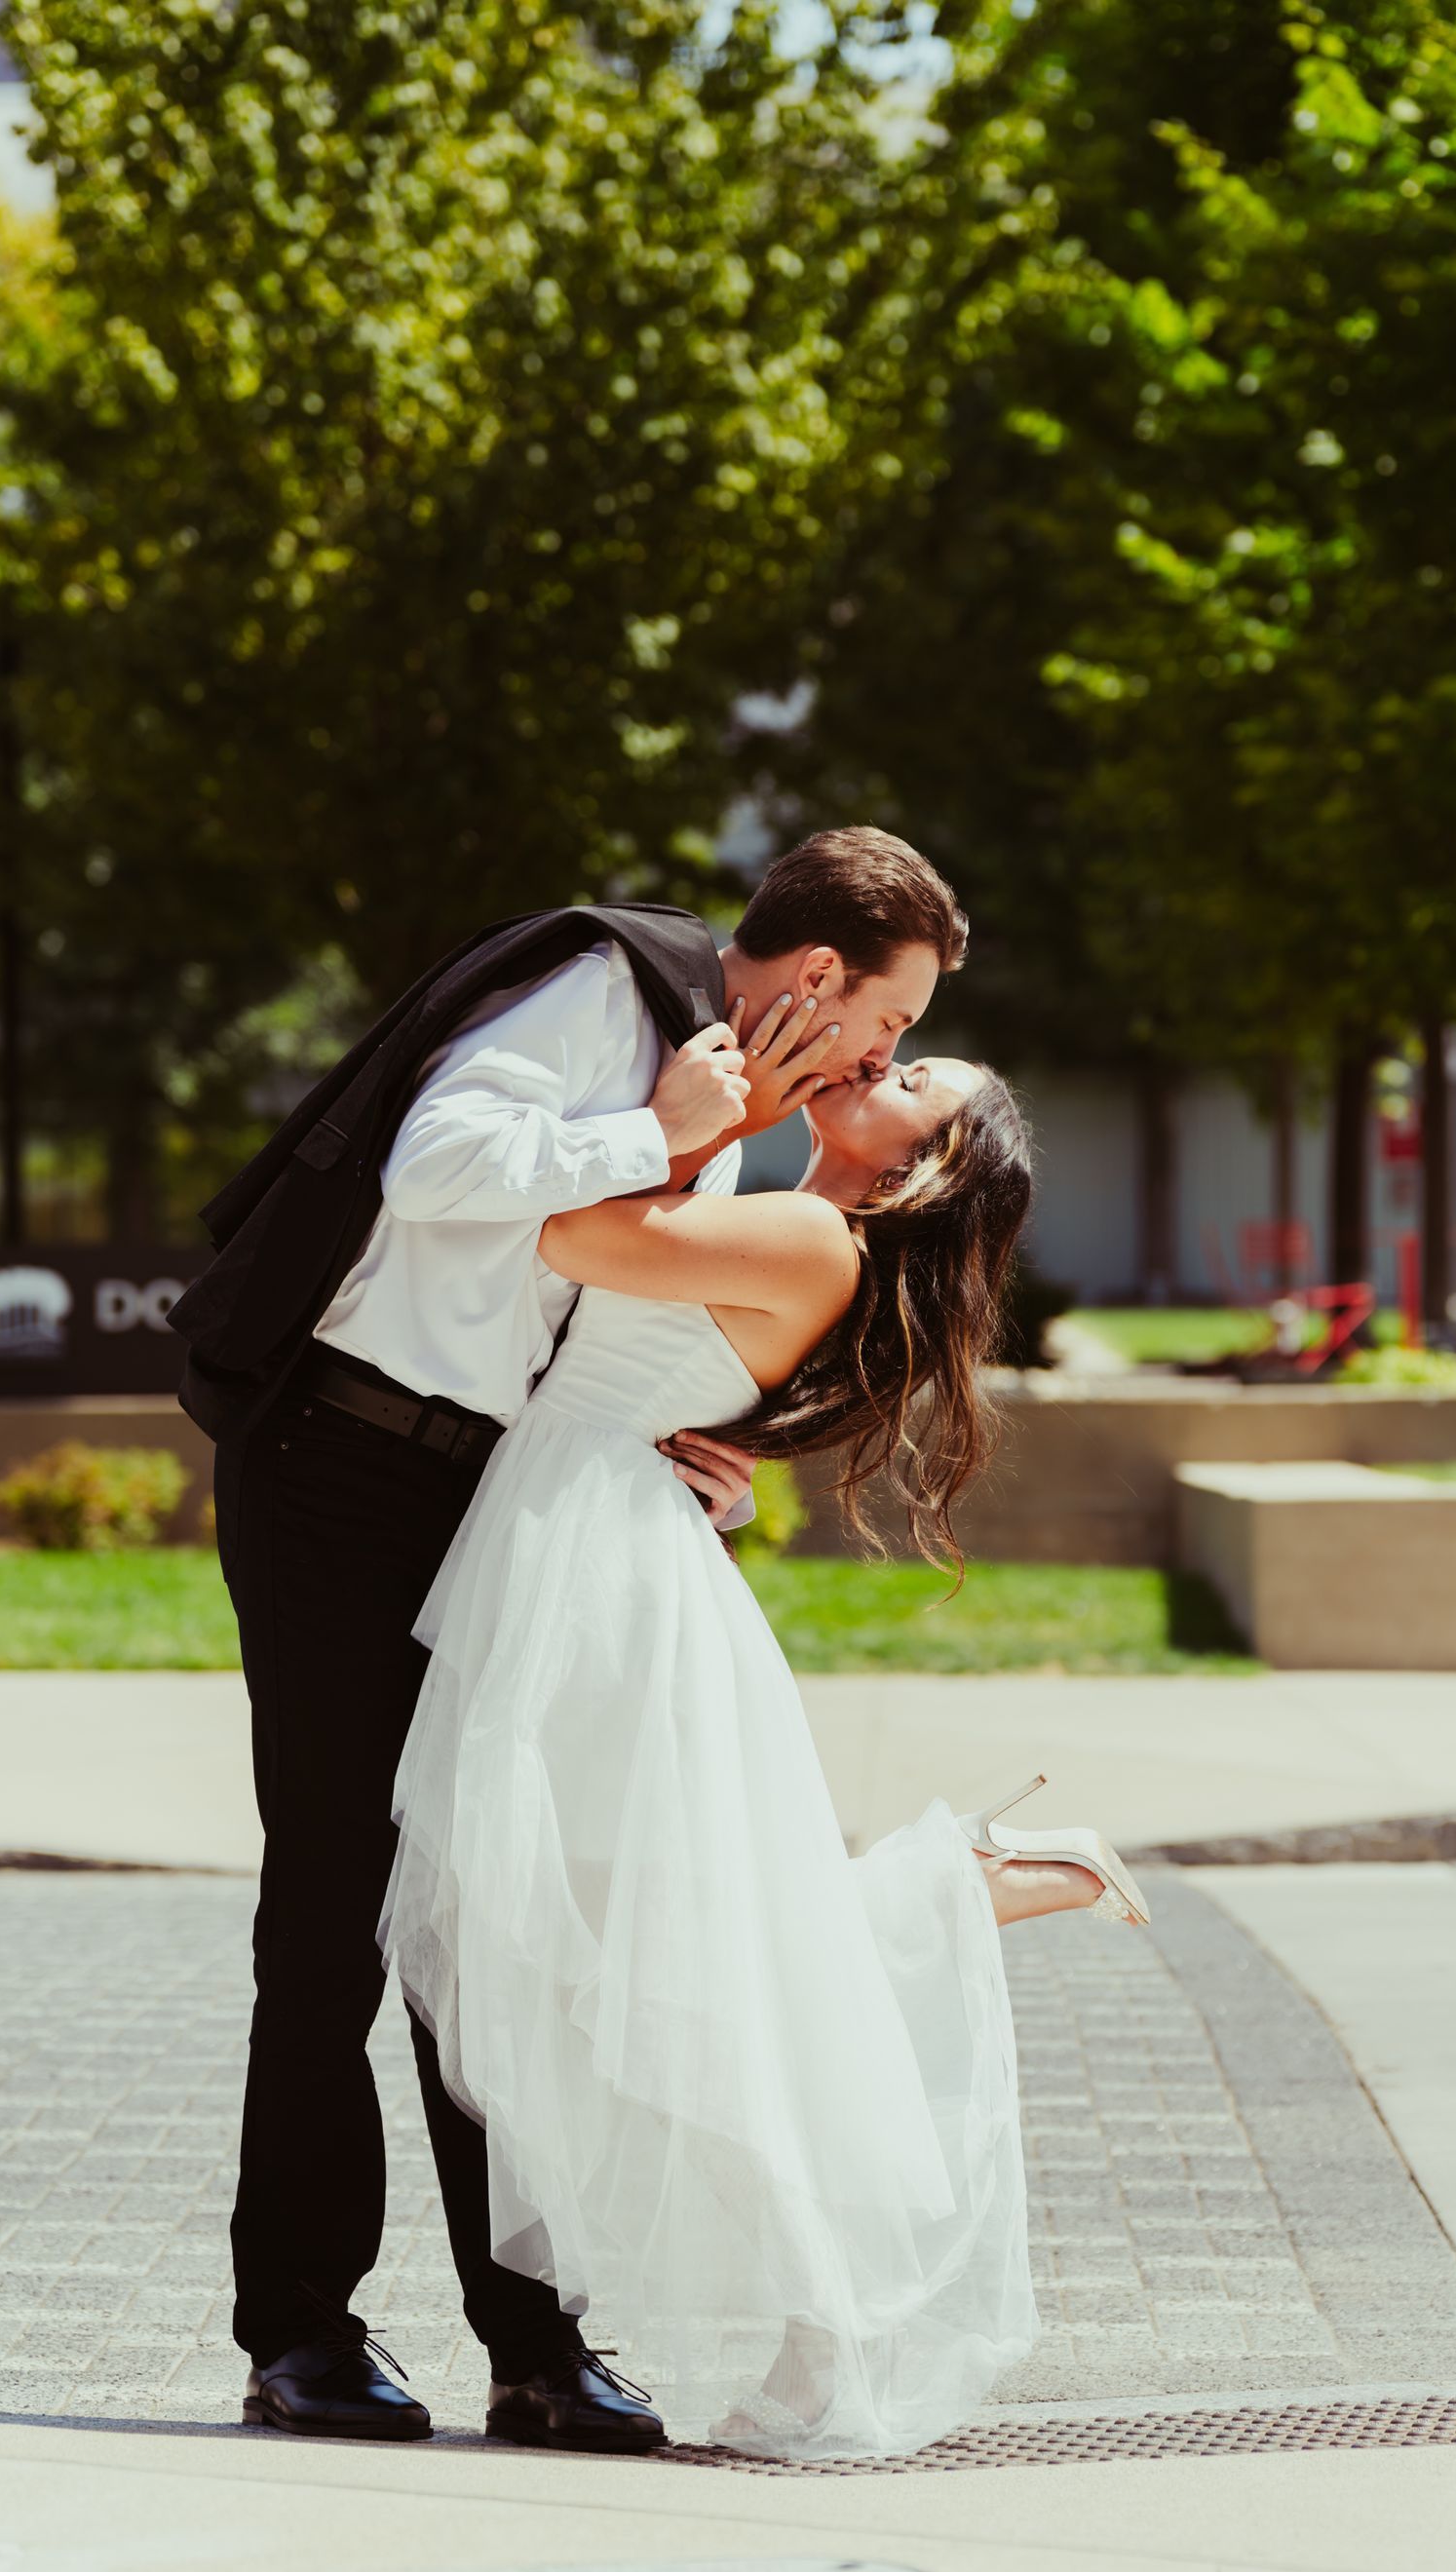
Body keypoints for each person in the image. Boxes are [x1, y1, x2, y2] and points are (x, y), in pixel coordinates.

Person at [199, 828, 977, 2449]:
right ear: (820, 976)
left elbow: (637, 1324)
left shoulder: (746, 1106)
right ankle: (300, 2331)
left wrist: (702, 1459)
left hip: (493, 1502)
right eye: (885, 1026)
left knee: (495, 1917)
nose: (879, 1057)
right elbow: (436, 1171)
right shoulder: (600, 997)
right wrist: (660, 1124)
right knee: (336, 1912)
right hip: (340, 1462)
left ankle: (534, 2350)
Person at [380, 1017, 1146, 2462]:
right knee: (664, 1958)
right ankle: (970, 1880)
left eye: (915, 1083)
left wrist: (674, 1116)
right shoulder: (783, 1214)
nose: (885, 1063)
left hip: (594, 1572)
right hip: (587, 1540)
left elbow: (570, 1243)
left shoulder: (804, 1232)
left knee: (672, 1972)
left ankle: (832, 2311)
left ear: (933, 1165)